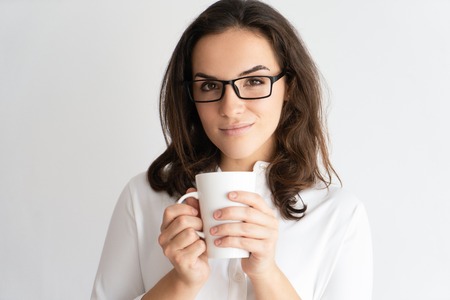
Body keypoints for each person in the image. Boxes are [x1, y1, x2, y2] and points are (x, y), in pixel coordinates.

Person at [91, 0, 373, 299]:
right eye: (210, 86)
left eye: (254, 81)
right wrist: (182, 281)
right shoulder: (143, 198)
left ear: (289, 85)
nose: (230, 107)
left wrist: (266, 273)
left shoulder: (339, 214)